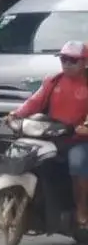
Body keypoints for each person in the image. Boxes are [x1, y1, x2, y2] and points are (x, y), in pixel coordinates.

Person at [8, 39, 88, 227]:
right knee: (27, 156)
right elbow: (34, 102)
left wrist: (84, 127)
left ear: (84, 62)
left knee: (77, 162)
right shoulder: (53, 81)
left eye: (72, 60)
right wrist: (15, 114)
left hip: (78, 140)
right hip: (52, 136)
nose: (66, 64)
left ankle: (82, 209)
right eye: (63, 59)